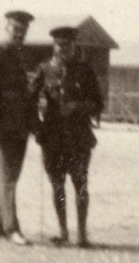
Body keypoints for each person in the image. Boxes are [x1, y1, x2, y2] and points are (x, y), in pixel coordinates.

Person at [34, 26, 104, 247]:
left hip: (79, 138)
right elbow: (30, 99)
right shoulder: (44, 70)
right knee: (57, 186)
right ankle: (64, 233)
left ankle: (82, 235)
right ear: (53, 45)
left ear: (74, 47)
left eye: (68, 45)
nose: (63, 49)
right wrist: (37, 127)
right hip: (53, 138)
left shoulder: (84, 71)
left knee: (81, 185)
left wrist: (77, 107)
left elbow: (98, 105)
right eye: (59, 44)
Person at [0, 9, 38, 244]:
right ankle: (12, 228)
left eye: (23, 31)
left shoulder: (19, 55)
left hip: (20, 125)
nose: (19, 35)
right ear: (7, 28)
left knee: (10, 175)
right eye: (15, 29)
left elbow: (25, 93)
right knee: (8, 176)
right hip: (2, 125)